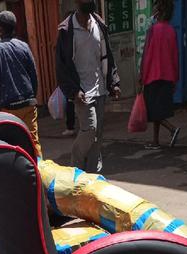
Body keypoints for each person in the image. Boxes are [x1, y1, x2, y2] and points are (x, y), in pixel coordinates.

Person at [56, 1, 121, 173]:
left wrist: (113, 82)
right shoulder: (66, 30)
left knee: (98, 136)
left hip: (100, 88)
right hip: (81, 92)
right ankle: (75, 166)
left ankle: (92, 175)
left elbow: (107, 54)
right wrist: (73, 91)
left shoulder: (99, 23)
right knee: (90, 130)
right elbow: (61, 66)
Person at [0, 11, 40, 156]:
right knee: (33, 143)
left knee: (12, 146)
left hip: (9, 108)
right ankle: (39, 175)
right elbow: (33, 75)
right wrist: (32, 97)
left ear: (0, 29)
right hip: (28, 103)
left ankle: (19, 176)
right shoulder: (24, 46)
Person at [140, 0, 180, 150]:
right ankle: (155, 140)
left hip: (152, 74)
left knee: (153, 110)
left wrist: (142, 74)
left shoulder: (153, 30)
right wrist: (176, 77)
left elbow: (146, 54)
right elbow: (175, 55)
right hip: (167, 75)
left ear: (159, 12)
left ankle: (172, 129)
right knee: (158, 108)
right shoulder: (171, 30)